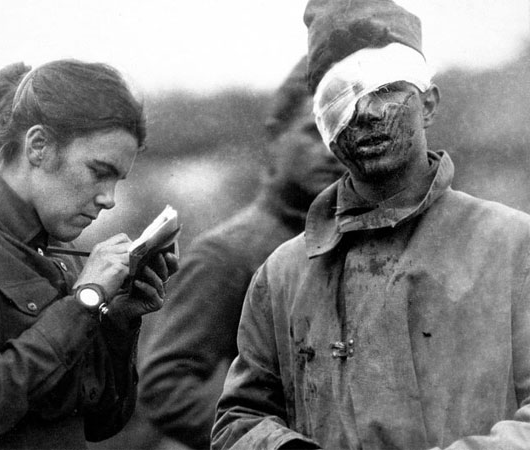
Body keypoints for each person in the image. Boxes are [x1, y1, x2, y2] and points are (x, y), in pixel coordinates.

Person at [211, 1, 530, 449]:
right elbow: (239, 420)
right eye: (341, 99)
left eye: (386, 89)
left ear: (429, 104)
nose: (367, 114)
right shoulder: (284, 273)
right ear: (323, 125)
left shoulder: (512, 245)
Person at [0, 59, 178, 449]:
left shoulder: (62, 260)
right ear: (38, 146)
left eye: (117, 180)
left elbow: (102, 422)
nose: (109, 199)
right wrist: (84, 302)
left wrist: (119, 317)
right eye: (99, 171)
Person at [138, 56, 344, 449]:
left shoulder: (347, 241)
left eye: (338, 134)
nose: (331, 152)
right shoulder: (230, 253)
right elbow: (164, 387)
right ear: (273, 138)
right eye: (313, 133)